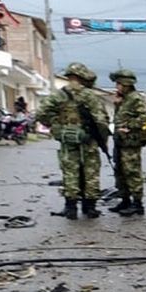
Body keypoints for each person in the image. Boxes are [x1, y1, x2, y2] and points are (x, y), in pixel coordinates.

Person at [36, 62, 110, 220]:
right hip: (88, 140)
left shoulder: (59, 94)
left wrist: (56, 124)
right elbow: (101, 120)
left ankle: (70, 208)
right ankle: (90, 208)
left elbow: (41, 113)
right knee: (90, 172)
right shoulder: (90, 95)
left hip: (67, 140)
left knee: (70, 172)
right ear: (83, 77)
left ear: (69, 77)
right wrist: (101, 140)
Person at [108, 69, 146, 216]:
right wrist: (117, 104)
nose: (117, 86)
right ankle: (125, 200)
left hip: (130, 143)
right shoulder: (123, 99)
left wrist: (130, 126)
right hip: (120, 141)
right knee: (120, 172)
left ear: (126, 84)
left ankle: (137, 204)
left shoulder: (135, 98)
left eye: (119, 83)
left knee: (132, 172)